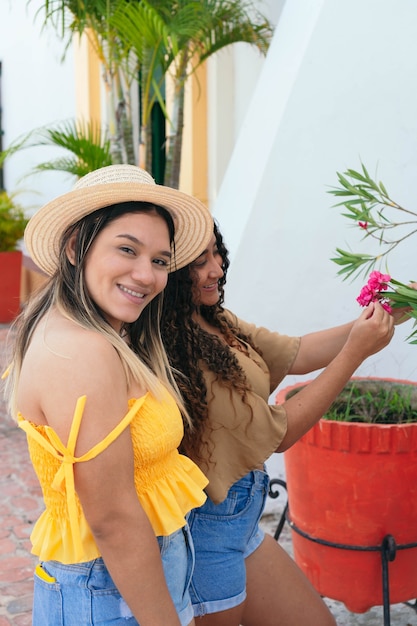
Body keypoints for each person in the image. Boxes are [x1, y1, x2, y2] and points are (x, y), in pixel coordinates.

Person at [160, 222, 413, 626]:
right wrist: (356, 352)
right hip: (207, 530)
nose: (217, 269)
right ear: (168, 271)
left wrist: (381, 317)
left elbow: (297, 353)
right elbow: (281, 433)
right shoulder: (177, 347)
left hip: (240, 520)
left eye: (216, 252)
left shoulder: (212, 319)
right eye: (199, 262)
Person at [2, 164, 214, 626]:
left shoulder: (101, 334)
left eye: (160, 260)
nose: (146, 275)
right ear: (77, 246)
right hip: (109, 595)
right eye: (127, 249)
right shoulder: (80, 350)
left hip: (128, 586)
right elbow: (114, 518)